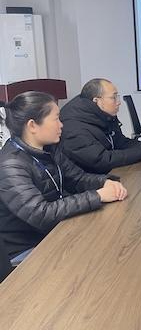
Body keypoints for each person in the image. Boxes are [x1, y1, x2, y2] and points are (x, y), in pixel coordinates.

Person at [0, 91, 128, 261]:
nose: (61, 125)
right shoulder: (11, 165)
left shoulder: (49, 149)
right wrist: (98, 196)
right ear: (32, 126)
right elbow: (41, 214)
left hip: (55, 229)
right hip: (28, 248)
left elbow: (77, 178)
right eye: (56, 119)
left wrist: (106, 182)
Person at [60, 78, 141, 174]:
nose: (119, 102)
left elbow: (120, 142)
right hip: (88, 180)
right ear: (97, 101)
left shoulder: (103, 114)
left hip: (106, 173)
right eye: (113, 98)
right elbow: (101, 160)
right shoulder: (74, 127)